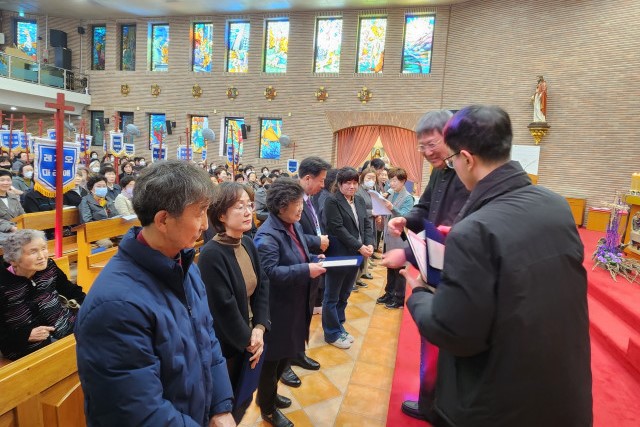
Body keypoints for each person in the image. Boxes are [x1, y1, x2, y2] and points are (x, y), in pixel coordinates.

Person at [405, 105, 592, 426]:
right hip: (561, 391)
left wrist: (420, 293)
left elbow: (456, 334)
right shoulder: (557, 205)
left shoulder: (474, 231)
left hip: (500, 404)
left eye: (453, 159)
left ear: (467, 159)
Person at [75, 160, 235, 427]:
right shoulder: (116, 305)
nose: (205, 224)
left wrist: (220, 406)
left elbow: (207, 337)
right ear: (163, 220)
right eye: (199, 213)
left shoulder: (185, 266)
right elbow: (137, 412)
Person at [384, 109, 469, 422]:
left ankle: (437, 407)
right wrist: (406, 220)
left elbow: (453, 226)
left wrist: (405, 254)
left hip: (453, 266)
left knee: (442, 340)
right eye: (421, 147)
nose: (427, 152)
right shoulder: (438, 172)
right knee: (431, 340)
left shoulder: (465, 173)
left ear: (451, 137)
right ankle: (430, 402)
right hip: (433, 262)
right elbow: (425, 207)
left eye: (432, 144)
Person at [254, 178, 326, 427]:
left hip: (294, 303)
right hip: (278, 309)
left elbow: (297, 254)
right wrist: (306, 269)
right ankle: (267, 408)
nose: (301, 208)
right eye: (296, 204)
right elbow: (269, 273)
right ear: (281, 206)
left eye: (301, 202)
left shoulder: (292, 225)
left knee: (285, 355)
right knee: (272, 362)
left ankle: (268, 396)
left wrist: (313, 258)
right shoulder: (267, 235)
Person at [198, 182, 270, 424]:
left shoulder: (247, 242)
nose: (248, 212)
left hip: (253, 336)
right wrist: (250, 341)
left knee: (245, 397)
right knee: (230, 404)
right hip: (231, 345)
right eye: (240, 207)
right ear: (221, 214)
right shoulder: (211, 254)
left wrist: (260, 326)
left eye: (250, 205)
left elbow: (262, 284)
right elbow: (223, 308)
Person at [279, 157, 330, 386]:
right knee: (289, 322)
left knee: (304, 315)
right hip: (296, 269)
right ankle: (284, 365)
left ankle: (297, 353)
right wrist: (316, 241)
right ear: (308, 178)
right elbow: (291, 236)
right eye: (321, 180)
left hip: (309, 263)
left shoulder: (310, 199)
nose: (323, 185)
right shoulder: (290, 202)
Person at [0, 229, 85, 360]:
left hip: (67, 327)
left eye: (44, 248)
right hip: (28, 346)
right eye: (33, 252)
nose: (42, 256)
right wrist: (24, 336)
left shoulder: (49, 267)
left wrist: (89, 308)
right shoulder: (3, 283)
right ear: (14, 260)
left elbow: (71, 291)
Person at [322, 167, 373, 349]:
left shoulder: (359, 200)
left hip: (356, 254)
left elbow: (366, 224)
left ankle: (339, 326)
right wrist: (360, 246)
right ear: (340, 184)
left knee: (345, 293)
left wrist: (369, 243)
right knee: (332, 295)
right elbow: (338, 228)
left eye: (354, 183)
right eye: (348, 183)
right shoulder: (332, 201)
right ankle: (331, 333)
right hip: (339, 253)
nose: (352, 186)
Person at [378, 167, 414, 309]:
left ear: (403, 181)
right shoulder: (391, 193)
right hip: (388, 234)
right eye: (390, 180)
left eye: (394, 181)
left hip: (400, 236)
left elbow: (404, 216)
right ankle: (389, 293)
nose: (391, 184)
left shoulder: (408, 197)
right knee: (389, 265)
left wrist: (391, 207)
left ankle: (399, 298)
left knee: (399, 268)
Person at [0, 169, 24, 245]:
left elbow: (22, 214)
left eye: (8, 180)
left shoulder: (13, 196)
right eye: (2, 180)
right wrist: (11, 228)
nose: (6, 183)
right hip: (3, 232)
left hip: (18, 229)